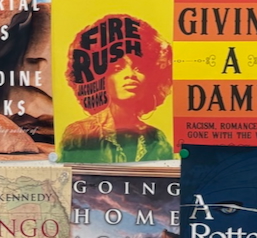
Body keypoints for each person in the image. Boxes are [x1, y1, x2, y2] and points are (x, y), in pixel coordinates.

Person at [58, 16, 174, 163]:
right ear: (100, 78)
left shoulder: (157, 139)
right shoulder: (80, 134)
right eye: (117, 68)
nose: (130, 75)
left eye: (139, 68)